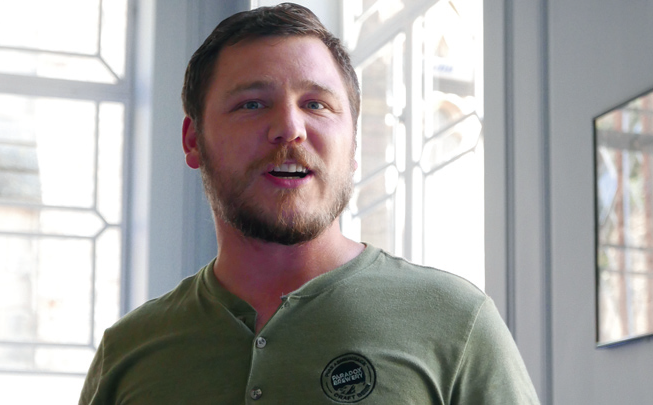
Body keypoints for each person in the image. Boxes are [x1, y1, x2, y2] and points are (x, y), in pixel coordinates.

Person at [79, 3, 539, 404]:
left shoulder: (456, 322)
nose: (290, 128)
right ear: (193, 140)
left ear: (353, 144)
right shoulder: (128, 352)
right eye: (252, 104)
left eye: (316, 104)